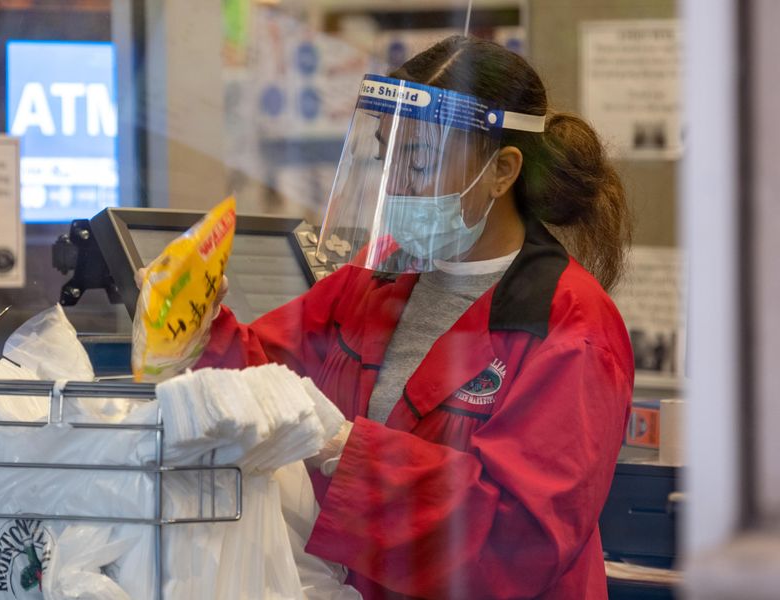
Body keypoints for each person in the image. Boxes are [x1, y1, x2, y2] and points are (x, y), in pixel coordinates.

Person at [195, 36, 634, 598]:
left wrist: (344, 449)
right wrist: (200, 327)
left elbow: (516, 542)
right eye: (386, 157)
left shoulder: (570, 327)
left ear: (502, 171)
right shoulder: (376, 280)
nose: (394, 185)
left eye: (419, 160)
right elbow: (264, 376)